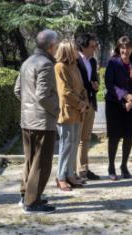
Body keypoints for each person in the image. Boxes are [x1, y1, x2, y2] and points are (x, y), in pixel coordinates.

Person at [14, 29, 59, 214]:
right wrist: (56, 110)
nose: (57, 48)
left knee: (30, 161)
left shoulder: (27, 62)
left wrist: (28, 108)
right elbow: (42, 95)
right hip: (42, 121)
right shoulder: (46, 64)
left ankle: (26, 195)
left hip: (27, 120)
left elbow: (18, 90)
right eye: (56, 45)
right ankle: (32, 203)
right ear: (50, 46)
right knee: (41, 163)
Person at [104, 36, 132, 180]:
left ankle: (124, 165)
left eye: (128, 47)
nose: (125, 50)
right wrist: (125, 96)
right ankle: (111, 166)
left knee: (128, 136)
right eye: (123, 47)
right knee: (114, 136)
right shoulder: (112, 62)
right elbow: (109, 84)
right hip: (114, 103)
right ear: (118, 48)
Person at [55, 40, 89, 191]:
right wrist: (80, 104)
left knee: (74, 143)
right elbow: (65, 92)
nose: (78, 50)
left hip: (78, 112)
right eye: (75, 48)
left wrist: (85, 101)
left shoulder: (74, 65)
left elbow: (82, 88)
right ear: (68, 50)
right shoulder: (59, 67)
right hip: (67, 112)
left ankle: (70, 174)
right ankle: (60, 177)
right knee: (66, 145)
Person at [75, 33, 100, 181]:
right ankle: (74, 172)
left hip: (90, 102)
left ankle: (84, 169)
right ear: (82, 47)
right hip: (78, 104)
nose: (94, 49)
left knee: (86, 138)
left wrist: (96, 86)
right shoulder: (74, 60)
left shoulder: (93, 61)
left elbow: (94, 79)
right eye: (92, 46)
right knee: (76, 139)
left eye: (95, 46)